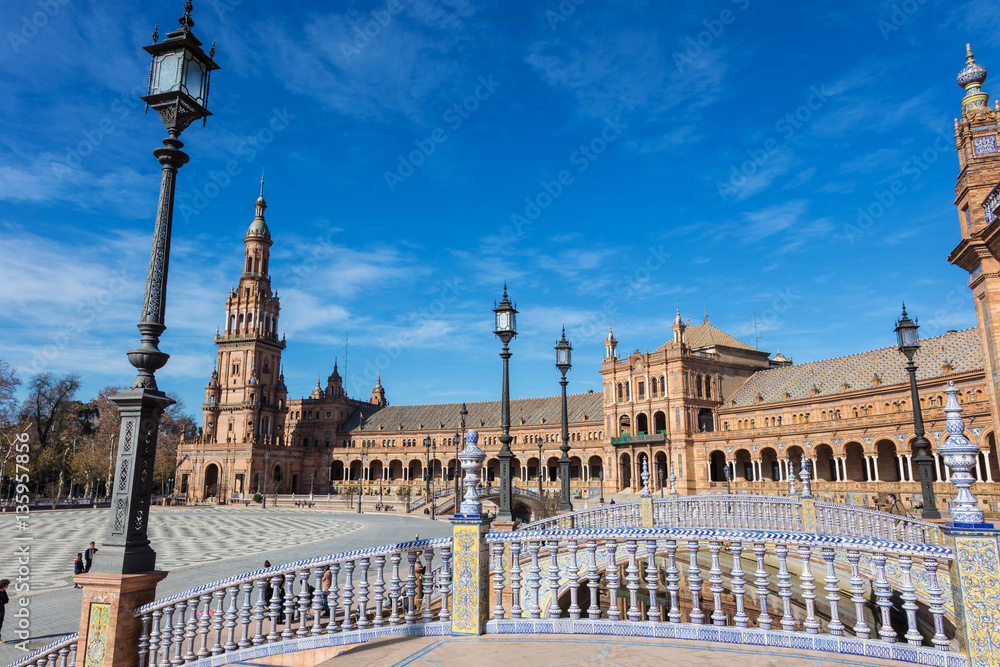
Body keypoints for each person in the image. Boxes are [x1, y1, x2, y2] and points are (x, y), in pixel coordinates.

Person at [0, 579, 9, 643]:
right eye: (7, 585)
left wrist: (2, 602)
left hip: (2, 610)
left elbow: (7, 599)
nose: (7, 586)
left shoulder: (4, 591)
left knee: (0, 624)